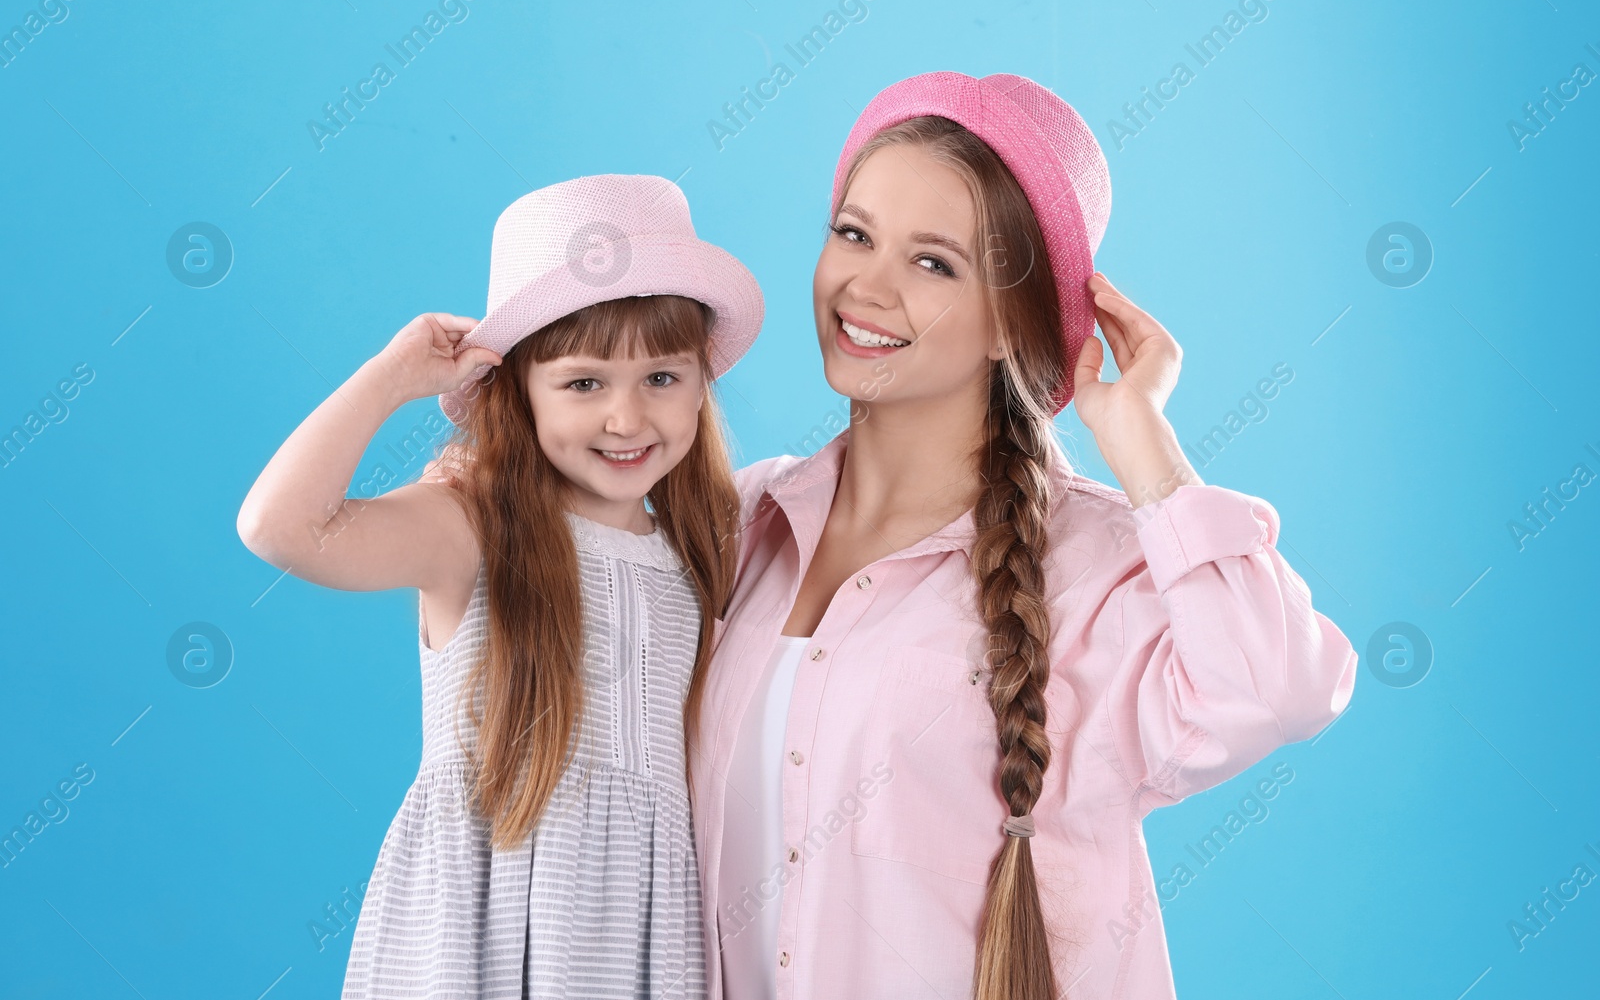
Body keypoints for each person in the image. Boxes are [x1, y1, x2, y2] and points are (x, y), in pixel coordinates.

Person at [691, 73, 1358, 1000]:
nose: (866, 286)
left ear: (1016, 319)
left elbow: (1275, 687)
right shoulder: (742, 524)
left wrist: (1141, 444)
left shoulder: (1098, 566)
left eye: (934, 263)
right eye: (853, 233)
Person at [236, 174, 764, 1000]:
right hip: (481, 938)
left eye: (662, 377)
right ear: (516, 389)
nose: (626, 418)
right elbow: (281, 525)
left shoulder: (697, 556)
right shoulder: (472, 529)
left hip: (641, 946)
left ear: (703, 382)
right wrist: (388, 378)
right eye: (584, 382)